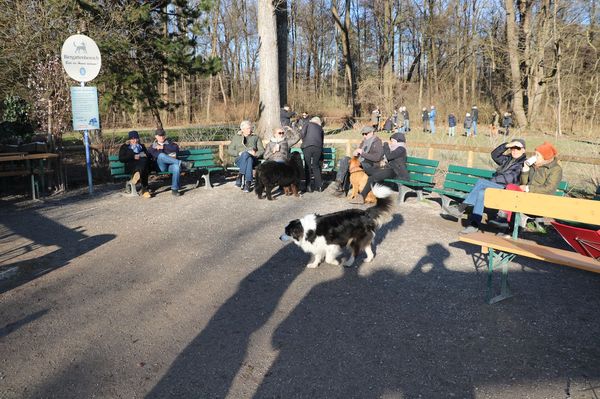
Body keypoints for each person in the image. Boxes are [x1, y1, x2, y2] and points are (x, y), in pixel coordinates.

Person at [444, 140, 528, 233]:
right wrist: (507, 145)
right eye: (513, 148)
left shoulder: (523, 163)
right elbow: (494, 155)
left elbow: (510, 178)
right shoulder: (507, 159)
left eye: (518, 148)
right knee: (481, 193)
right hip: (496, 186)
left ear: (523, 150)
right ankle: (474, 224)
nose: (515, 150)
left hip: (507, 190)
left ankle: (461, 208)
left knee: (481, 182)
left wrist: (490, 181)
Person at [489, 142, 564, 233]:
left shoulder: (555, 169)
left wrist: (528, 188)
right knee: (510, 187)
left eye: (537, 155)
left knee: (514, 197)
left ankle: (507, 224)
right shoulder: (533, 165)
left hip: (541, 199)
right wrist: (525, 170)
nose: (534, 157)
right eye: (535, 154)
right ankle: (503, 219)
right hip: (527, 196)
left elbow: (549, 188)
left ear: (545, 157)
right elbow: (523, 183)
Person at [350, 132, 409, 204]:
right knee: (368, 171)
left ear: (398, 141)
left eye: (392, 141)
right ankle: (367, 192)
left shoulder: (401, 148)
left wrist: (386, 145)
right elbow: (385, 156)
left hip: (397, 172)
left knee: (373, 177)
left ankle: (362, 196)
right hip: (390, 170)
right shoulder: (395, 148)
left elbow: (389, 156)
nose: (391, 142)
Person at [332, 125, 383, 196]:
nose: (364, 136)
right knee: (345, 160)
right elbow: (359, 153)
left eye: (366, 134)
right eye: (363, 134)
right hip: (360, 162)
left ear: (372, 132)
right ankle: (339, 183)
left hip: (371, 164)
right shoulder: (364, 141)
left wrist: (363, 153)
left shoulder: (377, 142)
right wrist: (355, 154)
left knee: (352, 166)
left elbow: (377, 158)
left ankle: (342, 190)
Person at [148, 128, 188, 196]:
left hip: (171, 165)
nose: (161, 137)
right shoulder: (153, 146)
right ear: (156, 136)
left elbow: (176, 149)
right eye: (159, 135)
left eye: (163, 135)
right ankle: (180, 162)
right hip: (161, 167)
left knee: (176, 167)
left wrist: (163, 147)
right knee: (161, 155)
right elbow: (151, 154)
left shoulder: (170, 143)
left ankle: (175, 189)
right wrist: (158, 149)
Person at [228, 120, 265, 192]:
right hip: (239, 159)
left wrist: (255, 154)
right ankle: (248, 183)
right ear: (242, 129)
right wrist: (239, 153)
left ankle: (240, 175)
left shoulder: (255, 137)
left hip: (253, 159)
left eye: (250, 128)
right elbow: (230, 150)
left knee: (249, 158)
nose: (250, 129)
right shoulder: (236, 137)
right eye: (248, 128)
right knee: (246, 156)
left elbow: (262, 150)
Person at [118, 130, 151, 198]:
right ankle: (144, 190)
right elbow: (121, 159)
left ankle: (136, 177)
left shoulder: (141, 146)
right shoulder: (125, 147)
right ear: (129, 139)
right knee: (143, 167)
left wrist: (144, 155)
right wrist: (133, 157)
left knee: (143, 162)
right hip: (131, 166)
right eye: (133, 139)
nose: (135, 140)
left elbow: (148, 155)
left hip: (141, 166)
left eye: (136, 138)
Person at [300, 116, 324, 192]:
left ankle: (308, 187)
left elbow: (302, 133)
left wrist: (304, 140)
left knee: (307, 166)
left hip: (308, 146)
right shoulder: (321, 128)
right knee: (316, 166)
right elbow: (322, 140)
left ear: (312, 120)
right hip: (318, 148)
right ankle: (319, 186)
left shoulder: (307, 124)